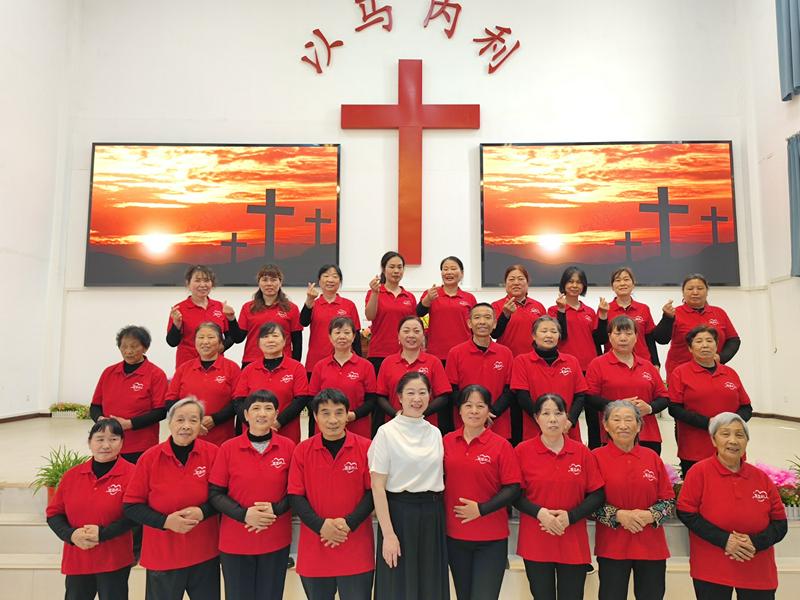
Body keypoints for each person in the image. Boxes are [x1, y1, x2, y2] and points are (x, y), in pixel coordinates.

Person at [677, 413, 787, 600]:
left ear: (747, 441)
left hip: (757, 569)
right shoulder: (699, 472)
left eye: (739, 435)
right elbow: (686, 513)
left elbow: (780, 524)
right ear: (713, 440)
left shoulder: (761, 478)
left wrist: (754, 542)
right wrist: (726, 540)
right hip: (712, 569)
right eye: (725, 434)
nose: (733, 440)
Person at [123, 397, 220, 600]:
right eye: (180, 420)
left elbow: (222, 496)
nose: (186, 426)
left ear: (201, 425)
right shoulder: (149, 458)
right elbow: (132, 505)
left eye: (193, 420)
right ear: (169, 423)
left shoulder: (213, 454)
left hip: (204, 554)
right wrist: (166, 522)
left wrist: (203, 511)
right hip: (163, 556)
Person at [514, 393, 605, 600]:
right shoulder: (522, 451)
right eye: (546, 413)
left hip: (572, 540)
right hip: (536, 539)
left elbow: (597, 494)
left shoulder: (582, 452)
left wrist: (569, 517)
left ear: (567, 418)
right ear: (536, 418)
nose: (553, 419)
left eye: (558, 413)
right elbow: (514, 494)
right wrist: (540, 514)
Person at [368, 372, 449, 600]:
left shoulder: (434, 432)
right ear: (399, 398)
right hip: (399, 515)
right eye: (411, 393)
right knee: (399, 586)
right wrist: (389, 534)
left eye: (423, 393)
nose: (417, 398)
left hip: (432, 514)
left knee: (430, 584)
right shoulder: (386, 433)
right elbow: (377, 486)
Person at [288, 388, 375, 600]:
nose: (333, 419)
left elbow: (372, 493)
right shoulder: (302, 450)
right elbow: (295, 496)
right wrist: (321, 526)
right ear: (315, 417)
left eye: (338, 412)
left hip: (356, 546)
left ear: (348, 415)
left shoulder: (366, 447)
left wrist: (348, 524)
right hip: (315, 547)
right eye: (325, 413)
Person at [208, 390, 294, 600]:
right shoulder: (228, 448)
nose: (262, 414)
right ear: (245, 415)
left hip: (275, 538)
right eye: (256, 408)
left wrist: (275, 509)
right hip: (236, 540)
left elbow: (296, 492)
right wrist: (245, 515)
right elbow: (215, 493)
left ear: (276, 414)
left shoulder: (289, 447)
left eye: (268, 408)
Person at [443, 385, 521, 600]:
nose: (474, 411)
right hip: (455, 536)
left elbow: (513, 487)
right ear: (459, 410)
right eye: (468, 405)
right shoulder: (447, 441)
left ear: (489, 411)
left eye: (480, 406)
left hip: (491, 538)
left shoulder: (501, 445)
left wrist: (481, 509)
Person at [592, 401, 675, 600]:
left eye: (629, 419)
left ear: (638, 426)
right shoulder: (595, 457)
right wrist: (618, 515)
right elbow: (587, 503)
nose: (623, 425)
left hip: (651, 547)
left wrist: (650, 515)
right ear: (605, 425)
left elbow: (669, 501)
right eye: (616, 419)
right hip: (612, 547)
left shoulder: (652, 457)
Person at [46, 418, 136, 600]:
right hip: (78, 557)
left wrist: (103, 534)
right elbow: (54, 514)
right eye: (100, 439)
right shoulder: (72, 475)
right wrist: (71, 535)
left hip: (114, 558)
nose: (106, 445)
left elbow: (134, 515)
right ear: (89, 442)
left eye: (113, 439)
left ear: (122, 442)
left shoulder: (133, 474)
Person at [668, 326, 752, 476]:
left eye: (709, 340)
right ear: (690, 348)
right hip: (695, 448)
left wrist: (730, 424)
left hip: (731, 445)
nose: (705, 345)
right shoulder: (680, 373)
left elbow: (746, 407)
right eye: (698, 341)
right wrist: (710, 423)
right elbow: (675, 409)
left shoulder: (730, 373)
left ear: (716, 345)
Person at [585, 316, 669, 455]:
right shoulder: (597, 364)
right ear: (610, 337)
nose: (623, 338)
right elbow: (590, 397)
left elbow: (664, 397)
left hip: (648, 435)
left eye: (628, 333)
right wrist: (618, 406)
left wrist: (649, 408)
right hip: (613, 435)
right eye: (617, 333)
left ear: (636, 337)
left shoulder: (647, 365)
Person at [549, 266, 608, 449]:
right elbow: (560, 336)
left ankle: (594, 450)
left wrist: (603, 316)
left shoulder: (589, 311)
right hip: (565, 367)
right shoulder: (553, 310)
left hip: (590, 368)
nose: (574, 285)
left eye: (578, 282)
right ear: (564, 284)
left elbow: (599, 339)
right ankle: (565, 447)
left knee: (593, 414)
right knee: (567, 410)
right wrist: (561, 311)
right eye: (570, 281)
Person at [90, 325, 168, 464]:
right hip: (108, 444)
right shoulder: (109, 372)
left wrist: (129, 424)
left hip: (141, 445)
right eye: (124, 347)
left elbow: (160, 412)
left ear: (145, 348)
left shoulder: (156, 374)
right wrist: (101, 419)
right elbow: (95, 406)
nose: (128, 351)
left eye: (134, 346)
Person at [511, 316, 587, 443]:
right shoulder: (521, 361)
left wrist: (570, 421)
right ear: (534, 336)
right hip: (535, 428)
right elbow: (522, 397)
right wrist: (542, 420)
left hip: (567, 429)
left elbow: (580, 396)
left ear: (559, 336)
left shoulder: (571, 361)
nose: (549, 335)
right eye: (544, 331)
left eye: (553, 331)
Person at [232, 322, 312, 443]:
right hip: (252, 434)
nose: (270, 340)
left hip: (286, 433)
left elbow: (301, 399)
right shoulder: (249, 369)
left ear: (284, 341)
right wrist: (255, 424)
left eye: (275, 336)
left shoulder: (297, 368)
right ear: (258, 343)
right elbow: (238, 401)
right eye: (265, 337)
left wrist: (278, 422)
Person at [445, 303, 515, 440]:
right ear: (469, 323)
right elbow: (452, 389)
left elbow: (510, 389)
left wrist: (490, 412)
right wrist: (473, 411)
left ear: (494, 323)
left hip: (497, 424)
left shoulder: (506, 353)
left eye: (487, 317)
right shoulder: (456, 353)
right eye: (477, 317)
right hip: (465, 425)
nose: (482, 322)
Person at [165, 322, 241, 446]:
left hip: (222, 440)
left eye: (211, 337)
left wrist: (214, 419)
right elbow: (170, 401)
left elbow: (237, 402)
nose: (205, 342)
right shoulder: (184, 369)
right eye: (200, 337)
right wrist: (190, 421)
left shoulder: (232, 368)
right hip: (187, 438)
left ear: (220, 342)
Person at [375, 316, 451, 434]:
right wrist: (398, 415)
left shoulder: (433, 362)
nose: (411, 335)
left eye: (416, 331)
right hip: (395, 426)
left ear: (423, 335)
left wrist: (420, 414)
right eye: (406, 331)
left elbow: (443, 396)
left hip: (426, 426)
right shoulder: (388, 362)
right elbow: (380, 396)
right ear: (399, 336)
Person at [309, 317, 377, 439]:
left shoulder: (366, 366)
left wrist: (353, 415)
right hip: (326, 427)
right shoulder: (320, 366)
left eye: (346, 332)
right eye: (337, 332)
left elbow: (372, 400)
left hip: (357, 427)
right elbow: (312, 399)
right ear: (330, 337)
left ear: (354, 336)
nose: (342, 336)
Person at [663, 273, 740, 377]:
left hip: (713, 369)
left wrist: (721, 357)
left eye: (700, 288)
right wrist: (667, 318)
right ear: (683, 292)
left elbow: (733, 340)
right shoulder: (674, 312)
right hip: (680, 371)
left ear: (707, 291)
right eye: (690, 289)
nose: (695, 292)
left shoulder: (719, 312)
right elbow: (662, 339)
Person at [166, 265, 238, 369]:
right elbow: (172, 342)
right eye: (198, 280)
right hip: (187, 365)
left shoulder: (220, 307)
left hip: (216, 365)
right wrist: (176, 324)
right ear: (188, 284)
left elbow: (232, 336)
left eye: (206, 281)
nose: (202, 285)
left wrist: (221, 348)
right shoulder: (179, 309)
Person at [234, 264, 303, 368]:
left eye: (273, 280)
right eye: (265, 280)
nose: (269, 284)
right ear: (259, 282)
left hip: (283, 363)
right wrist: (231, 319)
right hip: (252, 362)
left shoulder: (291, 308)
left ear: (280, 282)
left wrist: (296, 366)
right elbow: (238, 338)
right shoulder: (248, 307)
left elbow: (297, 342)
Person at [603, 267, 674, 366]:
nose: (622, 283)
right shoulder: (605, 309)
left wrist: (656, 363)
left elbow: (649, 338)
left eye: (626, 279)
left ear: (633, 284)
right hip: (613, 363)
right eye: (618, 280)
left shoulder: (643, 309)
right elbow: (601, 339)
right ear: (612, 286)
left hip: (642, 362)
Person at [416, 256, 477, 366]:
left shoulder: (469, 298)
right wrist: (428, 299)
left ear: (462, 273)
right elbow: (419, 313)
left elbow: (475, 327)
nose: (449, 272)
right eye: (445, 269)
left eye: (453, 269)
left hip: (464, 353)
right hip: (436, 354)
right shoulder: (431, 293)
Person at [301, 264, 362, 373]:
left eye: (334, 276)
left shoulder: (349, 305)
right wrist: (309, 300)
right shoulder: (313, 304)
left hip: (343, 361)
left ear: (340, 281)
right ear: (319, 281)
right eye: (326, 276)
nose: (330, 279)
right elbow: (303, 322)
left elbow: (356, 335)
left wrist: (360, 362)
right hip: (315, 361)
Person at [364, 251, 417, 375]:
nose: (396, 271)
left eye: (400, 267)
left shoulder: (409, 297)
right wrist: (375, 293)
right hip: (379, 352)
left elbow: (414, 326)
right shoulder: (374, 292)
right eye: (392, 267)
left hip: (405, 353)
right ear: (383, 269)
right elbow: (370, 316)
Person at [490, 264, 547, 357]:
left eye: (520, 279)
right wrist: (505, 314)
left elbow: (545, 335)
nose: (516, 283)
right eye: (511, 279)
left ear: (527, 283)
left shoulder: (538, 306)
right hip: (507, 359)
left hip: (535, 359)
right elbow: (494, 334)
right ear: (505, 283)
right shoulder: (496, 306)